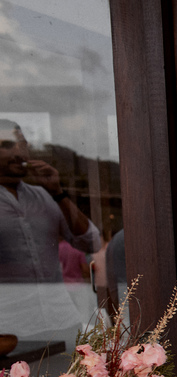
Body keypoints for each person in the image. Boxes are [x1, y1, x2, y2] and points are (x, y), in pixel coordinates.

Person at [0, 119, 101, 342]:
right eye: (7, 145)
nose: (19, 153)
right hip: (10, 329)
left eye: (22, 145)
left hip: (63, 321)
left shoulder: (46, 195)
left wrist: (58, 192)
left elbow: (91, 242)